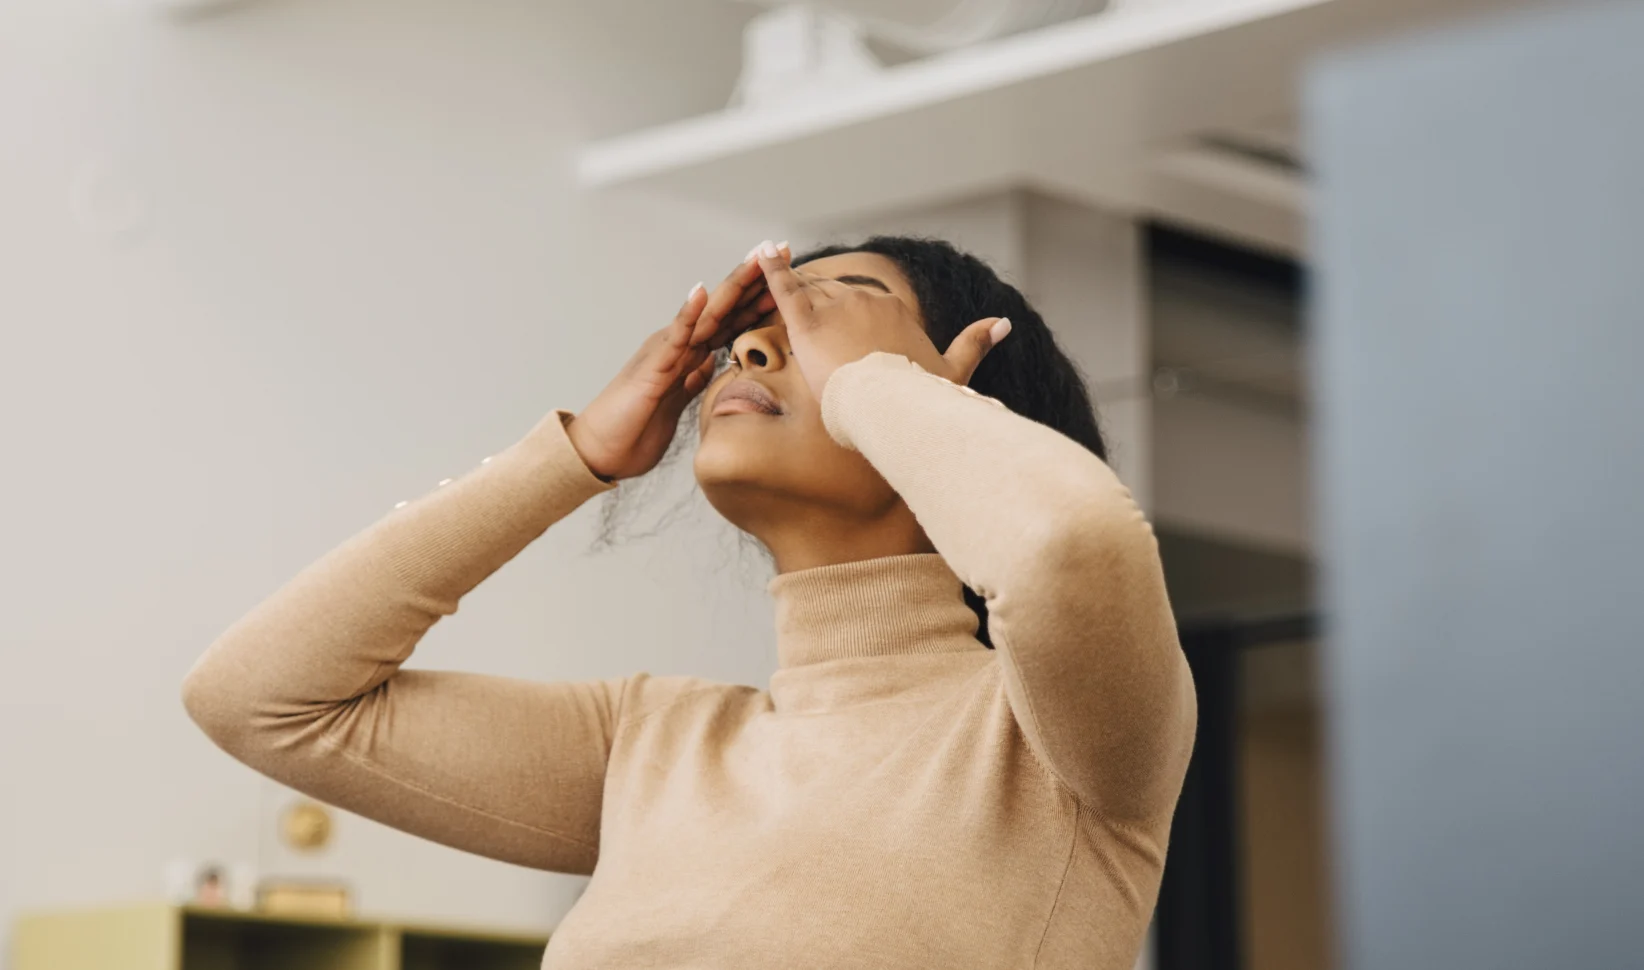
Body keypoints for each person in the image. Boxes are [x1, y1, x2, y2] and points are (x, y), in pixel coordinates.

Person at [183, 236, 1196, 969]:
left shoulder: (1058, 740)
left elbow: (1070, 545)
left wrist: (882, 391)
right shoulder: (650, 743)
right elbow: (260, 699)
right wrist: (571, 456)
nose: (752, 349)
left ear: (953, 394)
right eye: (752, 330)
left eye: (825, 320)